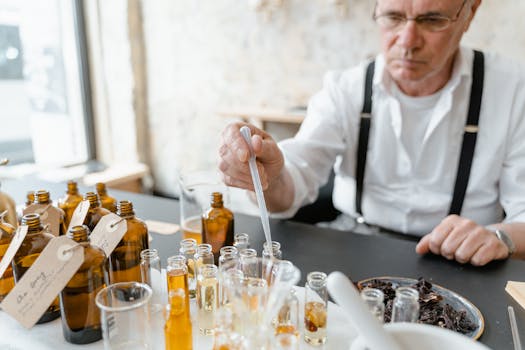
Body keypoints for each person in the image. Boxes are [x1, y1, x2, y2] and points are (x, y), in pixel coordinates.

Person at [218, 0, 525, 266]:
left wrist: (501, 238)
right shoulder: (346, 88)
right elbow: (292, 186)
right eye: (393, 17)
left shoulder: (512, 91)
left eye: (432, 20)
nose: (407, 41)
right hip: (356, 246)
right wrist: (266, 174)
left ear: (470, 12)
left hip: (463, 264)